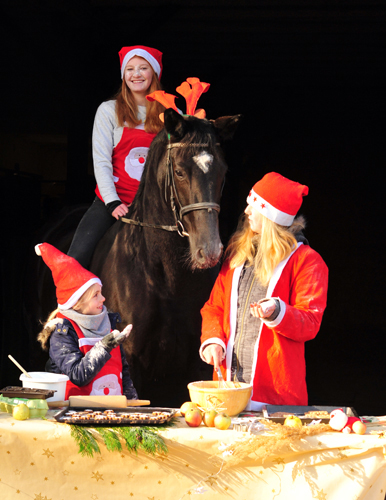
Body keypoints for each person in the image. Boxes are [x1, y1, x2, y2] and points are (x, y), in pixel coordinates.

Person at [200, 172, 328, 409]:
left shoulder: (307, 261)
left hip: (276, 398)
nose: (246, 211)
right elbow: (214, 306)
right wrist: (212, 340)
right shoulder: (237, 255)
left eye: (254, 206)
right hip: (227, 392)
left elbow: (310, 322)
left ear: (271, 215)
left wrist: (277, 311)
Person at [67, 45, 165, 268]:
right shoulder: (108, 110)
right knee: (75, 261)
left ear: (154, 73)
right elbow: (101, 160)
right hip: (111, 202)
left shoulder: (170, 113)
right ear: (124, 76)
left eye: (143, 68)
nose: (136, 74)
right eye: (130, 69)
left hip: (155, 203)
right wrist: (112, 202)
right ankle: (67, 304)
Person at [36, 242, 138, 400]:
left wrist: (132, 403)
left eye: (101, 293)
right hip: (75, 417)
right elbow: (78, 375)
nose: (103, 298)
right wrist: (104, 346)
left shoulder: (108, 324)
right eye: (95, 295)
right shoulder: (62, 332)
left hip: (112, 415)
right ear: (77, 303)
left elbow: (122, 372)